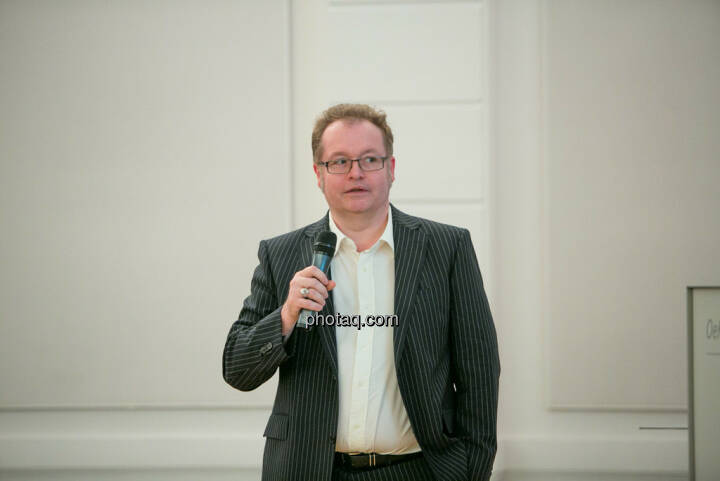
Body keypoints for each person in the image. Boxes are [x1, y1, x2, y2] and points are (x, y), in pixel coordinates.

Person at [223, 103, 500, 481]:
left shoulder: (446, 248)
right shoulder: (281, 254)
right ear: (318, 174)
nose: (356, 173)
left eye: (370, 159)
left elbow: (479, 372)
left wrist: (472, 472)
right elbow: (237, 371)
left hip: (418, 472)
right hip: (309, 471)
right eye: (339, 161)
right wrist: (286, 315)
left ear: (391, 168)